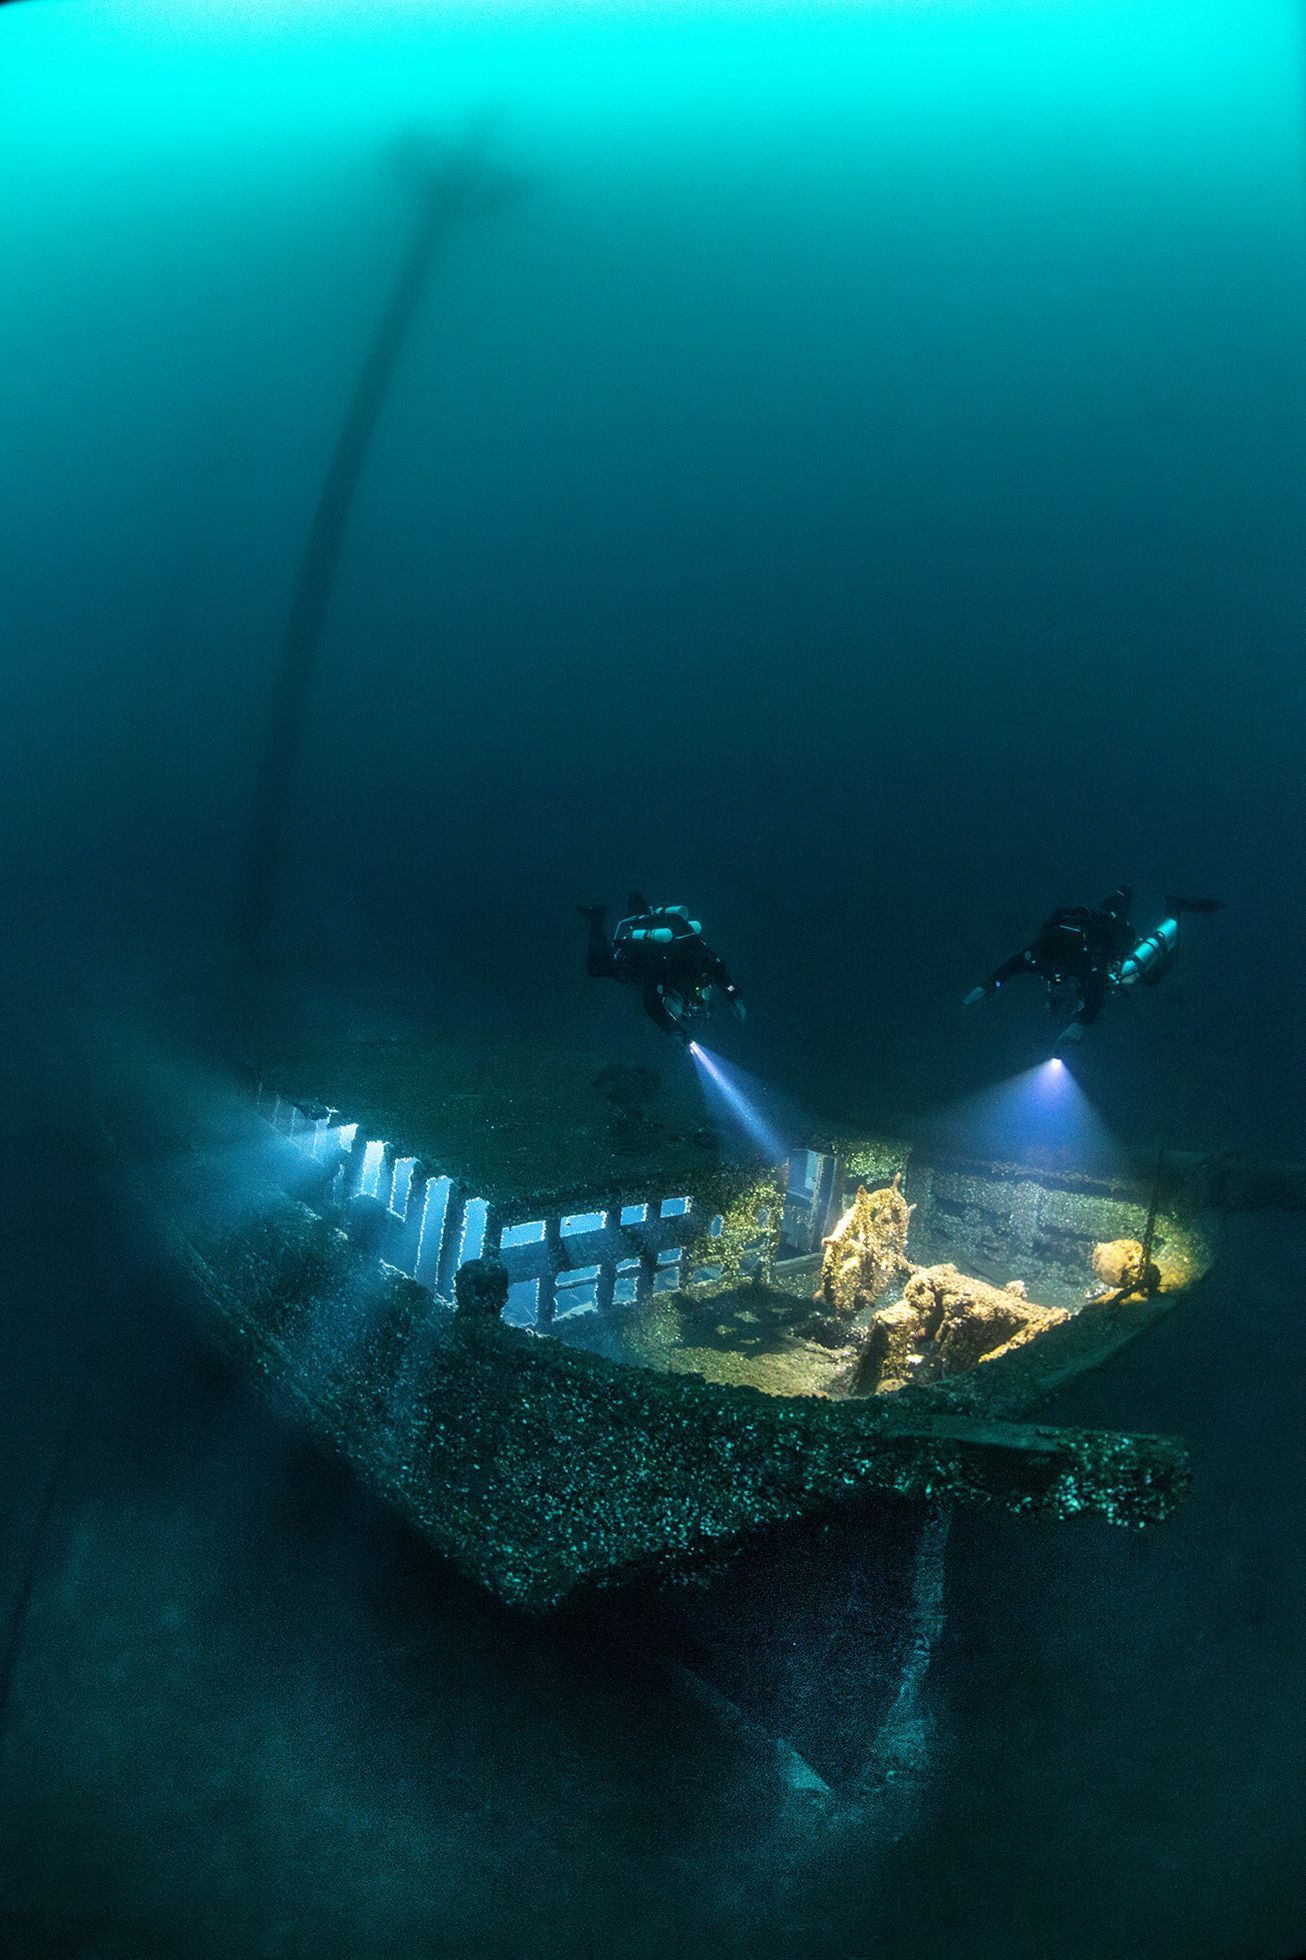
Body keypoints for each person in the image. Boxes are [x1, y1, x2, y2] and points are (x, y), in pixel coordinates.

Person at [963, 888, 1221, 1042]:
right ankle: (1125, 897)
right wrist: (986, 987)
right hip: (1098, 939)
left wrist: (1080, 1023)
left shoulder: (1082, 961)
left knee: (1150, 975)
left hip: (1110, 950)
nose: (1052, 975)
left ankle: (1174, 911)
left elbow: (1096, 995)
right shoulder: (1039, 955)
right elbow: (1010, 968)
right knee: (1116, 921)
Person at [578, 892, 744, 1042]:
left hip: (656, 942)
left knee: (640, 921)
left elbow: (723, 975)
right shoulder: (664, 964)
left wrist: (734, 997)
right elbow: (651, 1002)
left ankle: (638, 906)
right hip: (631, 962)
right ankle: (597, 916)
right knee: (595, 967)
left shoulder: (705, 960)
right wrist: (673, 1031)